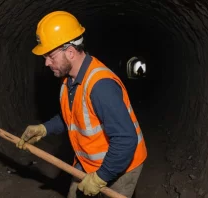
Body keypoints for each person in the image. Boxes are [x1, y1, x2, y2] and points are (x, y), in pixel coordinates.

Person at [16, 11, 147, 198]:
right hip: (88, 162)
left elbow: (125, 140)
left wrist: (101, 177)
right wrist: (45, 128)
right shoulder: (69, 80)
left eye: (50, 56)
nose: (46, 63)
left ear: (70, 52)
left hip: (123, 165)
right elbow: (74, 115)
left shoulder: (101, 87)